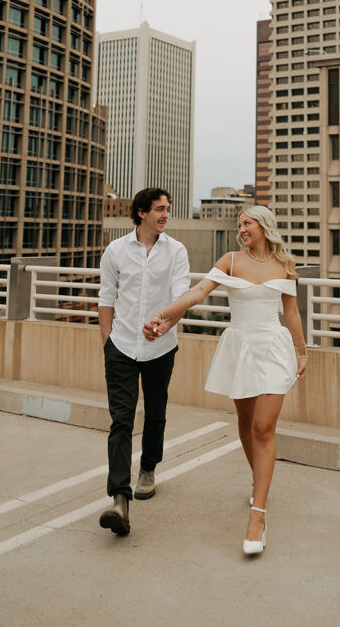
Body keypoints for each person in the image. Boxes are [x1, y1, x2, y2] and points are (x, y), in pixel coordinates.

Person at [143, 205, 307, 556]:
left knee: (264, 427)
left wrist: (303, 351)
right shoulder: (230, 260)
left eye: (247, 223)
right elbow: (197, 293)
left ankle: (257, 517)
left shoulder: (286, 264)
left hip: (275, 349)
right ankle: (258, 480)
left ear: (264, 225)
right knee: (247, 424)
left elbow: (291, 311)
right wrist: (163, 315)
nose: (241, 228)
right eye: (239, 224)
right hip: (241, 348)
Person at [97, 187, 190, 536]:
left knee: (156, 413)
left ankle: (148, 467)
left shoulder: (176, 251)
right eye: (159, 209)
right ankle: (119, 498)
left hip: (161, 347)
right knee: (120, 420)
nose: (165, 214)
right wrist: (107, 341)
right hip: (120, 346)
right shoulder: (116, 251)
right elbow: (106, 297)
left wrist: (164, 324)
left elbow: (182, 296)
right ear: (141, 213)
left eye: (168, 208)